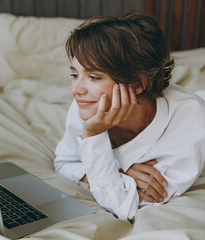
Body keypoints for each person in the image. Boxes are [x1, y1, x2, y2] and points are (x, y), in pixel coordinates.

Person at [54, 13, 205, 220]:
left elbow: (122, 205)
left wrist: (93, 136)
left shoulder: (189, 123)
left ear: (136, 84)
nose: (76, 89)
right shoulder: (88, 106)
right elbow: (64, 163)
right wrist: (119, 172)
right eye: (74, 74)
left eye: (93, 77)